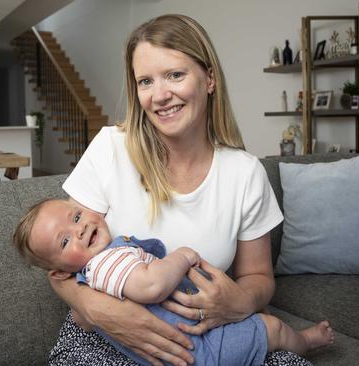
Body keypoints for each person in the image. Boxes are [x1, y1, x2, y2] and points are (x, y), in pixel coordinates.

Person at [46, 14, 318, 366]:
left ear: (209, 79)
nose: (160, 96)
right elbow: (61, 263)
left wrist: (241, 302)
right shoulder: (110, 148)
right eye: (146, 81)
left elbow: (258, 277)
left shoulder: (245, 173)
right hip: (108, 337)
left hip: (207, 339)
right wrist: (103, 312)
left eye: (175, 75)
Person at [13, 198, 335, 365]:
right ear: (58, 272)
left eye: (77, 217)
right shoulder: (106, 262)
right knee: (273, 328)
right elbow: (152, 286)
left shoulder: (95, 267)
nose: (80, 229)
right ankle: (307, 341)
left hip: (190, 342)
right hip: (201, 350)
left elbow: (83, 314)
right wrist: (181, 257)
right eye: (65, 242)